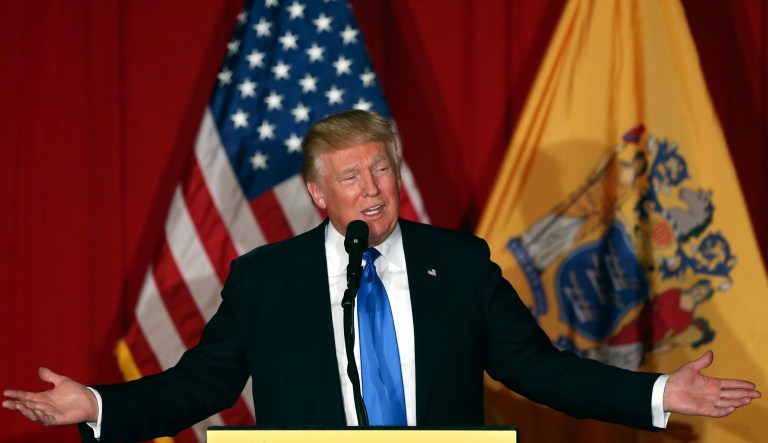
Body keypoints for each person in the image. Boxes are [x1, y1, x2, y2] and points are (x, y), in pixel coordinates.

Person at [3, 110, 760, 442]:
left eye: (381, 168)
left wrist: (661, 391)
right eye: (351, 175)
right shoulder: (267, 278)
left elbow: (538, 369)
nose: (371, 186)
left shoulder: (458, 263)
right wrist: (99, 404)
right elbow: (203, 384)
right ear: (317, 192)